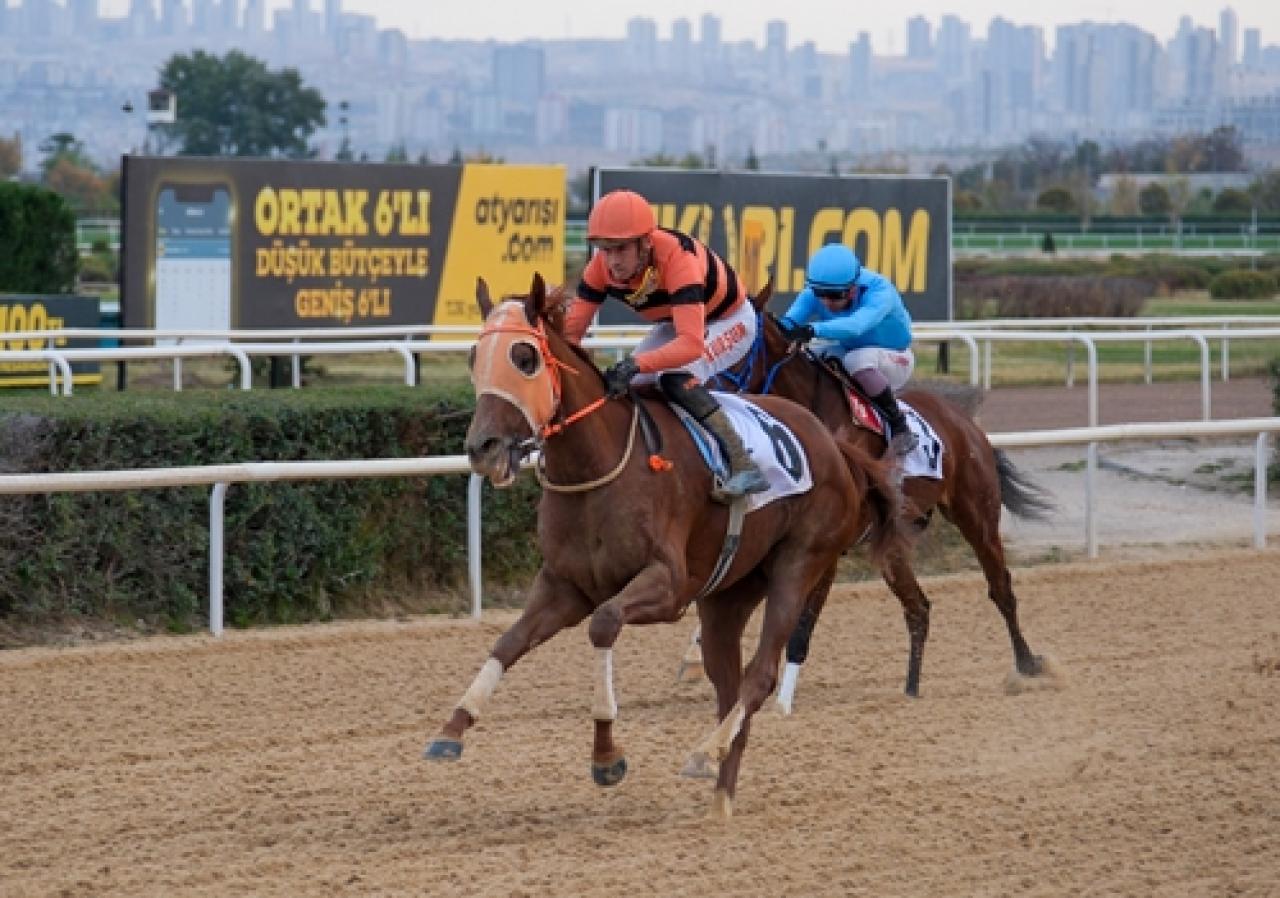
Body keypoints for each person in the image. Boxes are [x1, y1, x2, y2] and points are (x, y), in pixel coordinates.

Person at [564, 189, 768, 501]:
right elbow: (571, 333)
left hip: (729, 321)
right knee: (622, 385)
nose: (612, 262)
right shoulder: (599, 269)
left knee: (674, 378)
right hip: (678, 321)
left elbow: (690, 345)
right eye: (604, 250)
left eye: (620, 249)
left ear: (645, 242)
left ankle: (743, 462)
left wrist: (636, 363)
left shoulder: (678, 259)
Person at [776, 243, 918, 454]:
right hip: (850, 350)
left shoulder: (879, 290)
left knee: (857, 361)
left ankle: (900, 427)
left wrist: (811, 330)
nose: (826, 302)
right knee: (806, 357)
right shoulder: (814, 293)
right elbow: (788, 324)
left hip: (895, 357)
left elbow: (856, 326)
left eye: (834, 295)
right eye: (819, 294)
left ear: (853, 288)